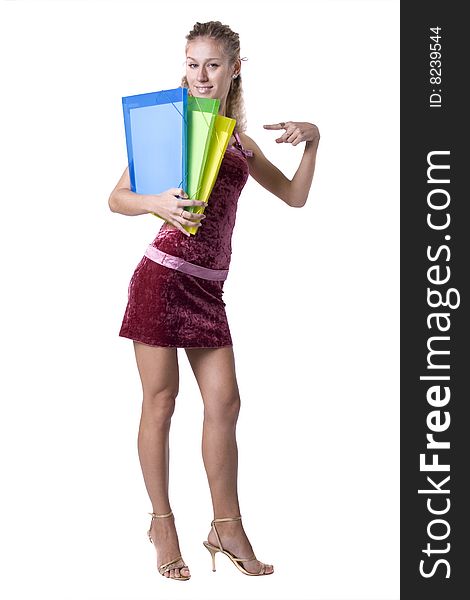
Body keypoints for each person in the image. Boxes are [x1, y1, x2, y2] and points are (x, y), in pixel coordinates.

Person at [108, 20, 320, 581]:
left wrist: (315, 138)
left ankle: (226, 527)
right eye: (193, 63)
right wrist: (155, 202)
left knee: (224, 403)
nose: (200, 75)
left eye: (212, 65)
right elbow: (117, 196)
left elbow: (296, 198)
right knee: (161, 401)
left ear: (234, 69)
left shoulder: (242, 143)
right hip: (160, 278)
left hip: (207, 291)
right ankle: (163, 524)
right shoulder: (175, 125)